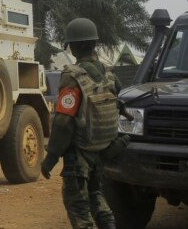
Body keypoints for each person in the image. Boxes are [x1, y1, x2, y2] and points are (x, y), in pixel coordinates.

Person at [41, 18, 126, 229]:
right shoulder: (109, 74)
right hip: (102, 148)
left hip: (80, 153)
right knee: (96, 194)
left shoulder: (73, 77)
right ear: (94, 43)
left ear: (74, 46)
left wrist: (51, 157)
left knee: (77, 204)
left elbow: (63, 121)